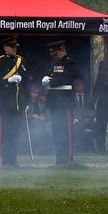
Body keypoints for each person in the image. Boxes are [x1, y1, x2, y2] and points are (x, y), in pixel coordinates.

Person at [0, 33, 28, 168]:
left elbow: (26, 84)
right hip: (5, 104)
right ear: (5, 48)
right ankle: (4, 161)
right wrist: (8, 81)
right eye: (11, 47)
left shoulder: (21, 61)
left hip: (18, 104)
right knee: (5, 133)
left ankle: (13, 161)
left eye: (15, 47)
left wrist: (26, 101)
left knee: (15, 133)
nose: (14, 49)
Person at [43, 38, 81, 167]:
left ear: (62, 50)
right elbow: (52, 78)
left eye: (56, 52)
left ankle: (68, 161)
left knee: (67, 132)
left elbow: (66, 78)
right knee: (57, 132)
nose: (55, 55)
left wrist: (50, 81)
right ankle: (60, 160)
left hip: (64, 100)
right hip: (54, 101)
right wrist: (46, 80)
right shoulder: (54, 64)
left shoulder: (70, 63)